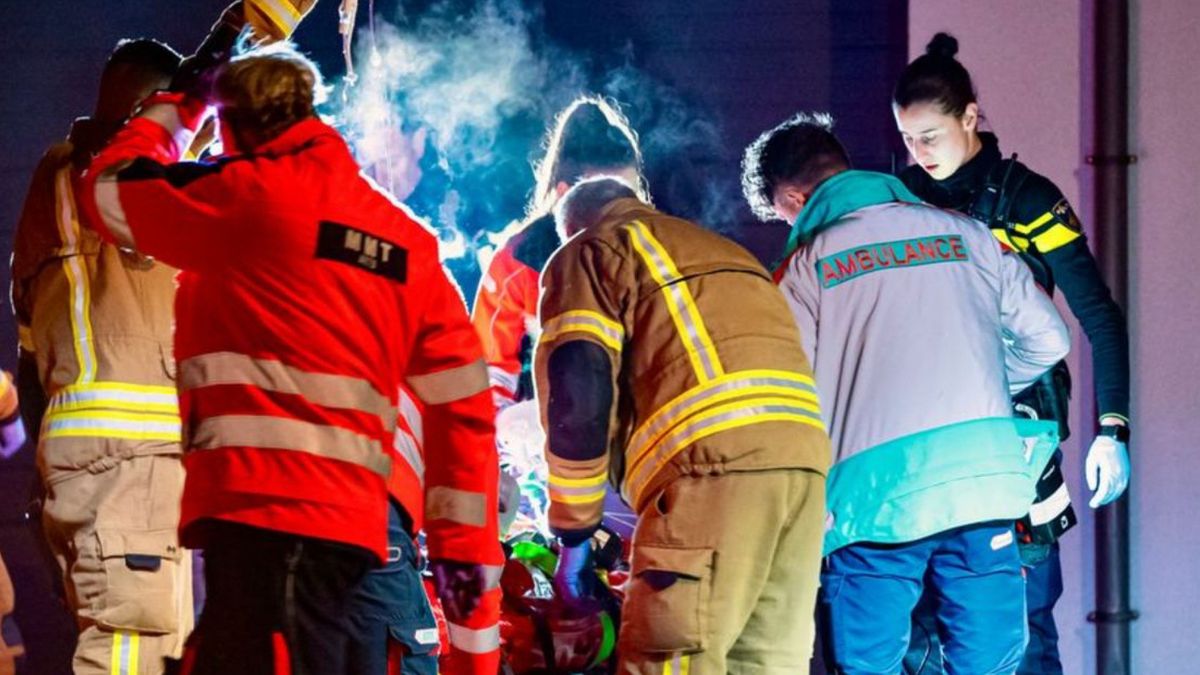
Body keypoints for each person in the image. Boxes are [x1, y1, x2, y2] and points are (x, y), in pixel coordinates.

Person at [76, 42, 500, 674]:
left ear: (231, 127)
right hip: (359, 534)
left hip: (254, 515)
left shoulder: (236, 197)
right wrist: (474, 633)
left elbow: (108, 188)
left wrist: (180, 106)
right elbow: (465, 422)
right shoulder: (404, 243)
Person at [742, 112, 1070, 673]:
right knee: (992, 664)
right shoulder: (969, 235)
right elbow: (1049, 339)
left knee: (870, 665)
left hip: (873, 501)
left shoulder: (803, 268)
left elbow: (790, 400)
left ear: (795, 199)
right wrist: (986, 385)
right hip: (983, 483)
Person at [893, 33, 1132, 674]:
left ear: (970, 116)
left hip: (1018, 434)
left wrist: (1113, 429)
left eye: (931, 136)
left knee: (1026, 628)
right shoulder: (901, 198)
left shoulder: (1028, 198)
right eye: (908, 139)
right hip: (925, 441)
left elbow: (1099, 316)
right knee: (922, 633)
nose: (918, 154)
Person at [540, 176, 831, 673]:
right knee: (763, 662)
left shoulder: (592, 249)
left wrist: (573, 534)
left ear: (572, 228)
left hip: (710, 475)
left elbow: (579, 393)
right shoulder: (727, 251)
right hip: (803, 474)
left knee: (671, 659)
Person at [9, 38, 194, 674]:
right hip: (131, 462)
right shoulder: (118, 179)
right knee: (131, 644)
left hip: (81, 461)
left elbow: (30, 355)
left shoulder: (48, 186)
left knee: (155, 645)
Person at [471, 96, 647, 540]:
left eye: (628, 196)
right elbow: (487, 370)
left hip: (633, 457)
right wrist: (512, 435)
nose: (617, 212)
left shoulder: (651, 251)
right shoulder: (518, 259)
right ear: (565, 194)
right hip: (540, 466)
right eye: (604, 197)